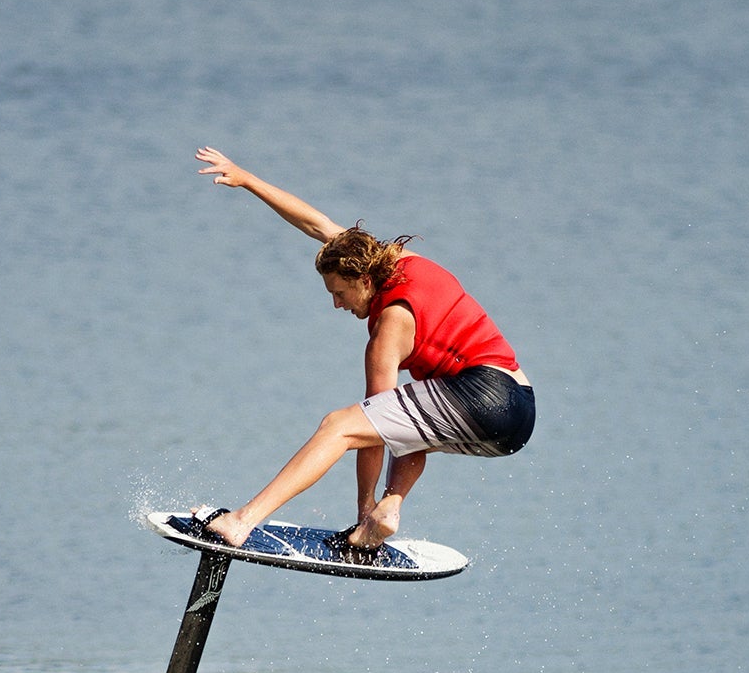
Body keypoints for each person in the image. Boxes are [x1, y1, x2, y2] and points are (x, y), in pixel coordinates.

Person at [192, 147, 534, 550]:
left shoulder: (390, 325)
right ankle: (389, 509)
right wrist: (247, 179)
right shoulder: (391, 260)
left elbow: (371, 429)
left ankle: (243, 521)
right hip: (519, 415)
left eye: (339, 293)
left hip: (483, 394)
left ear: (364, 281)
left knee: (338, 426)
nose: (337, 304)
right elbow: (315, 223)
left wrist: (360, 504)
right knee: (412, 426)